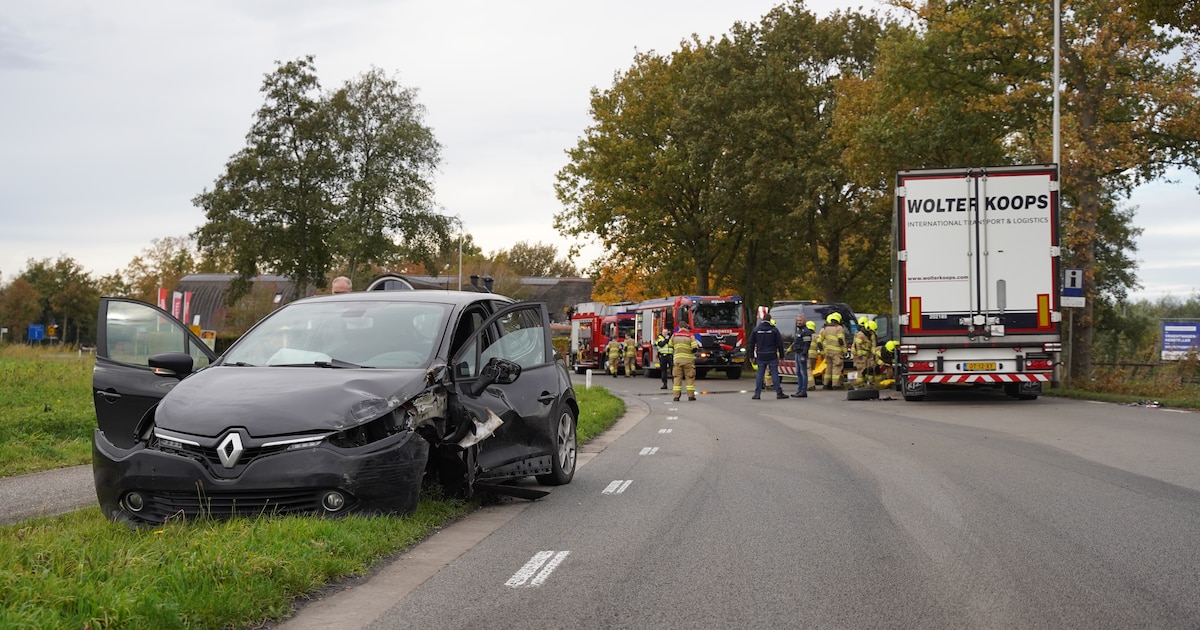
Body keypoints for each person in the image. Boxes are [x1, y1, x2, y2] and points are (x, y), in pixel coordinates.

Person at [748, 307, 787, 399]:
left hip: (761, 355)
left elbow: (751, 343)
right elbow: (779, 344)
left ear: (762, 319)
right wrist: (781, 355)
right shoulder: (774, 330)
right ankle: (779, 393)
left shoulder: (756, 330)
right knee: (774, 374)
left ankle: (757, 394)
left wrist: (751, 356)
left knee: (760, 374)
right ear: (770, 320)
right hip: (772, 354)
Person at [817, 312, 848, 389]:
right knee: (837, 368)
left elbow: (819, 341)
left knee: (828, 368)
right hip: (837, 352)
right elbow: (841, 340)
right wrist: (845, 351)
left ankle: (826, 384)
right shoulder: (839, 328)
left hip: (827, 352)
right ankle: (836, 384)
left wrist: (822, 351)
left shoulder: (825, 328)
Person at [671, 323, 701, 401]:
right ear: (687, 327)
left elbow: (670, 345)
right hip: (688, 361)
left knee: (677, 378)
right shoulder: (690, 336)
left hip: (677, 360)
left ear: (679, 327)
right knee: (690, 378)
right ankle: (691, 396)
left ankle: (676, 397)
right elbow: (695, 348)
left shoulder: (674, 335)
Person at [789, 316, 814, 398]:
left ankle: (803, 391)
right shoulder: (798, 331)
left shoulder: (806, 331)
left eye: (800, 320)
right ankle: (799, 390)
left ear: (804, 321)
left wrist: (804, 355)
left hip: (802, 354)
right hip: (797, 353)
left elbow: (806, 345)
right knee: (798, 373)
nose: (799, 322)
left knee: (803, 373)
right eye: (798, 320)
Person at [852, 316, 873, 388]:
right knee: (861, 369)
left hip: (864, 355)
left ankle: (863, 383)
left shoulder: (866, 334)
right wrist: (860, 354)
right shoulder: (861, 334)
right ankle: (859, 384)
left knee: (865, 369)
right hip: (860, 355)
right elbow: (857, 345)